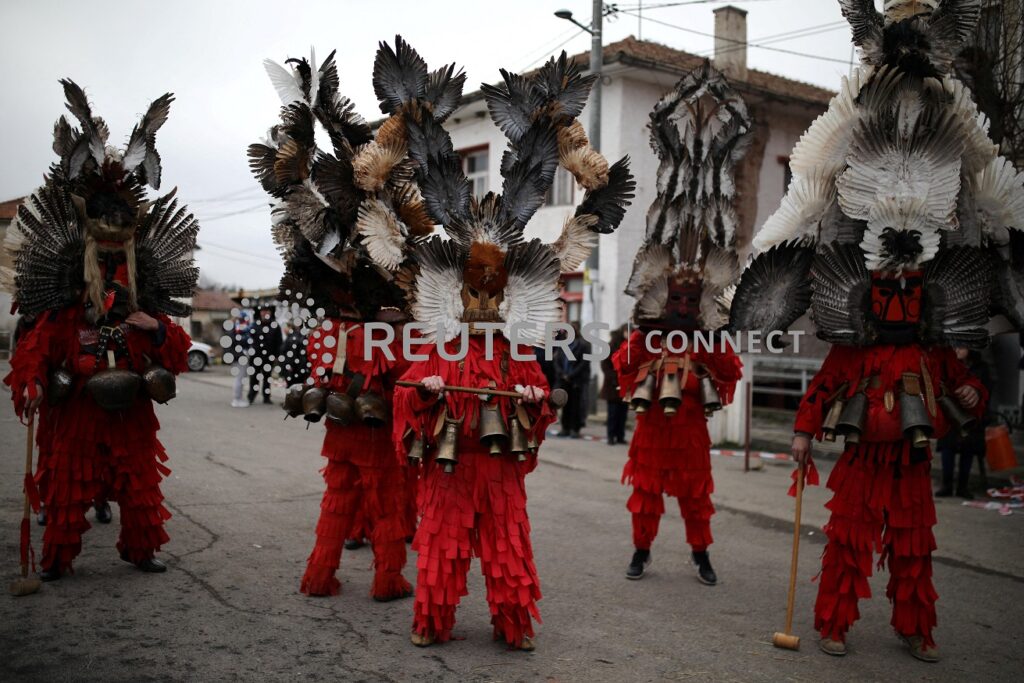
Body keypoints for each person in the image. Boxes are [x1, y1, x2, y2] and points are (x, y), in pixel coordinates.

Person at [729, 1, 1019, 662]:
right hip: (862, 456)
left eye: (907, 287)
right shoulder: (853, 336)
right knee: (850, 537)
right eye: (889, 286)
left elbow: (957, 379)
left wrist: (973, 395)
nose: (898, 293)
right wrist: (803, 433)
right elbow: (829, 380)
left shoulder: (934, 341)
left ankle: (917, 627)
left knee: (915, 542)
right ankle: (833, 622)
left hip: (913, 457)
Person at [386, 39, 634, 649]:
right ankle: (432, 623)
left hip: (497, 473)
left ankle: (514, 624)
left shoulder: (517, 353)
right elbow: (404, 398)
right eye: (474, 295)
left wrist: (536, 394)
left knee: (508, 548)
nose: (483, 305)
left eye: (491, 297)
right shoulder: (438, 349)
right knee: (443, 548)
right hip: (448, 470)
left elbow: (542, 410)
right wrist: (426, 388)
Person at [249, 47, 431, 601]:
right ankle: (387, 579)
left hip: (339, 417)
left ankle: (319, 575)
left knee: (338, 496)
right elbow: (409, 373)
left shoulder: (335, 319)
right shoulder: (390, 311)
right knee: (385, 493)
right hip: (375, 415)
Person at [4, 80, 197, 581]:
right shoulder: (65, 305)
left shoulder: (143, 303)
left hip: (131, 409)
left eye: (120, 256)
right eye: (105, 257)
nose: (113, 265)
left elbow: (176, 354)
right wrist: (32, 384)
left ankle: (141, 548)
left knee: (139, 483)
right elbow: (34, 347)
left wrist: (154, 328)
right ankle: (59, 557)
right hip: (78, 411)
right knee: (66, 484)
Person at [615, 62, 750, 586]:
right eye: (678, 294)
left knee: (696, 494)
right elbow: (623, 371)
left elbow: (731, 375)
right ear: (664, 293)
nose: (684, 302)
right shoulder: (645, 332)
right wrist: (646, 372)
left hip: (691, 428)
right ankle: (641, 552)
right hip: (652, 430)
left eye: (692, 296)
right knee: (645, 491)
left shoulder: (709, 333)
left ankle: (701, 556)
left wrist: (702, 372)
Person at [936, 348, 994, 499]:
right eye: (955, 346)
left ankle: (963, 487)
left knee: (968, 451)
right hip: (950, 414)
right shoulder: (948, 364)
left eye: (962, 346)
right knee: (947, 449)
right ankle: (946, 485)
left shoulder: (981, 368)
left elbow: (986, 391)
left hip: (971, 417)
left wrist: (974, 393)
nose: (958, 349)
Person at [555, 321, 591, 438]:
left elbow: (584, 363)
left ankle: (575, 428)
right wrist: (562, 374)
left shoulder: (583, 345)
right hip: (564, 379)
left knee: (576, 405)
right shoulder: (562, 345)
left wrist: (571, 375)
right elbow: (557, 361)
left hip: (576, 380)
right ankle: (565, 428)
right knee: (565, 405)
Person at [247, 304, 281, 405]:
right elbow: (249, 339)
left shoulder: (275, 325)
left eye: (267, 311)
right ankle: (251, 396)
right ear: (260, 312)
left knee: (267, 377)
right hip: (255, 356)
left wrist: (277, 355)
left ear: (270, 313)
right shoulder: (254, 325)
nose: (265, 313)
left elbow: (279, 342)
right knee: (254, 377)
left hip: (269, 357)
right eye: (263, 311)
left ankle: (266, 397)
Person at [601, 325, 629, 445]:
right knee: (613, 413)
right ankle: (611, 436)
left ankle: (620, 435)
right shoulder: (612, 345)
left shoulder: (629, 345)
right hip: (613, 384)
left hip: (625, 383)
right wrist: (614, 377)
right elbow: (605, 364)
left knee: (623, 412)